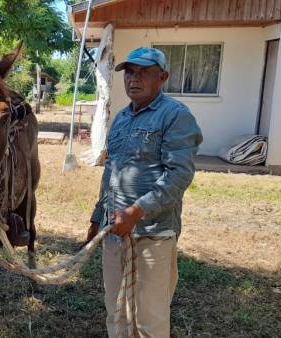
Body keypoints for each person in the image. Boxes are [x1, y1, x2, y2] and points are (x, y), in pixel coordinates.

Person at [87, 47, 203, 337]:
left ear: (162, 77)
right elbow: (111, 172)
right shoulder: (122, 119)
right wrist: (97, 217)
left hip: (153, 234)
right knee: (116, 312)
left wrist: (135, 212)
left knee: (149, 320)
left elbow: (179, 176)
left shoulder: (175, 116)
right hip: (114, 232)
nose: (133, 79)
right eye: (129, 72)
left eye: (143, 72)